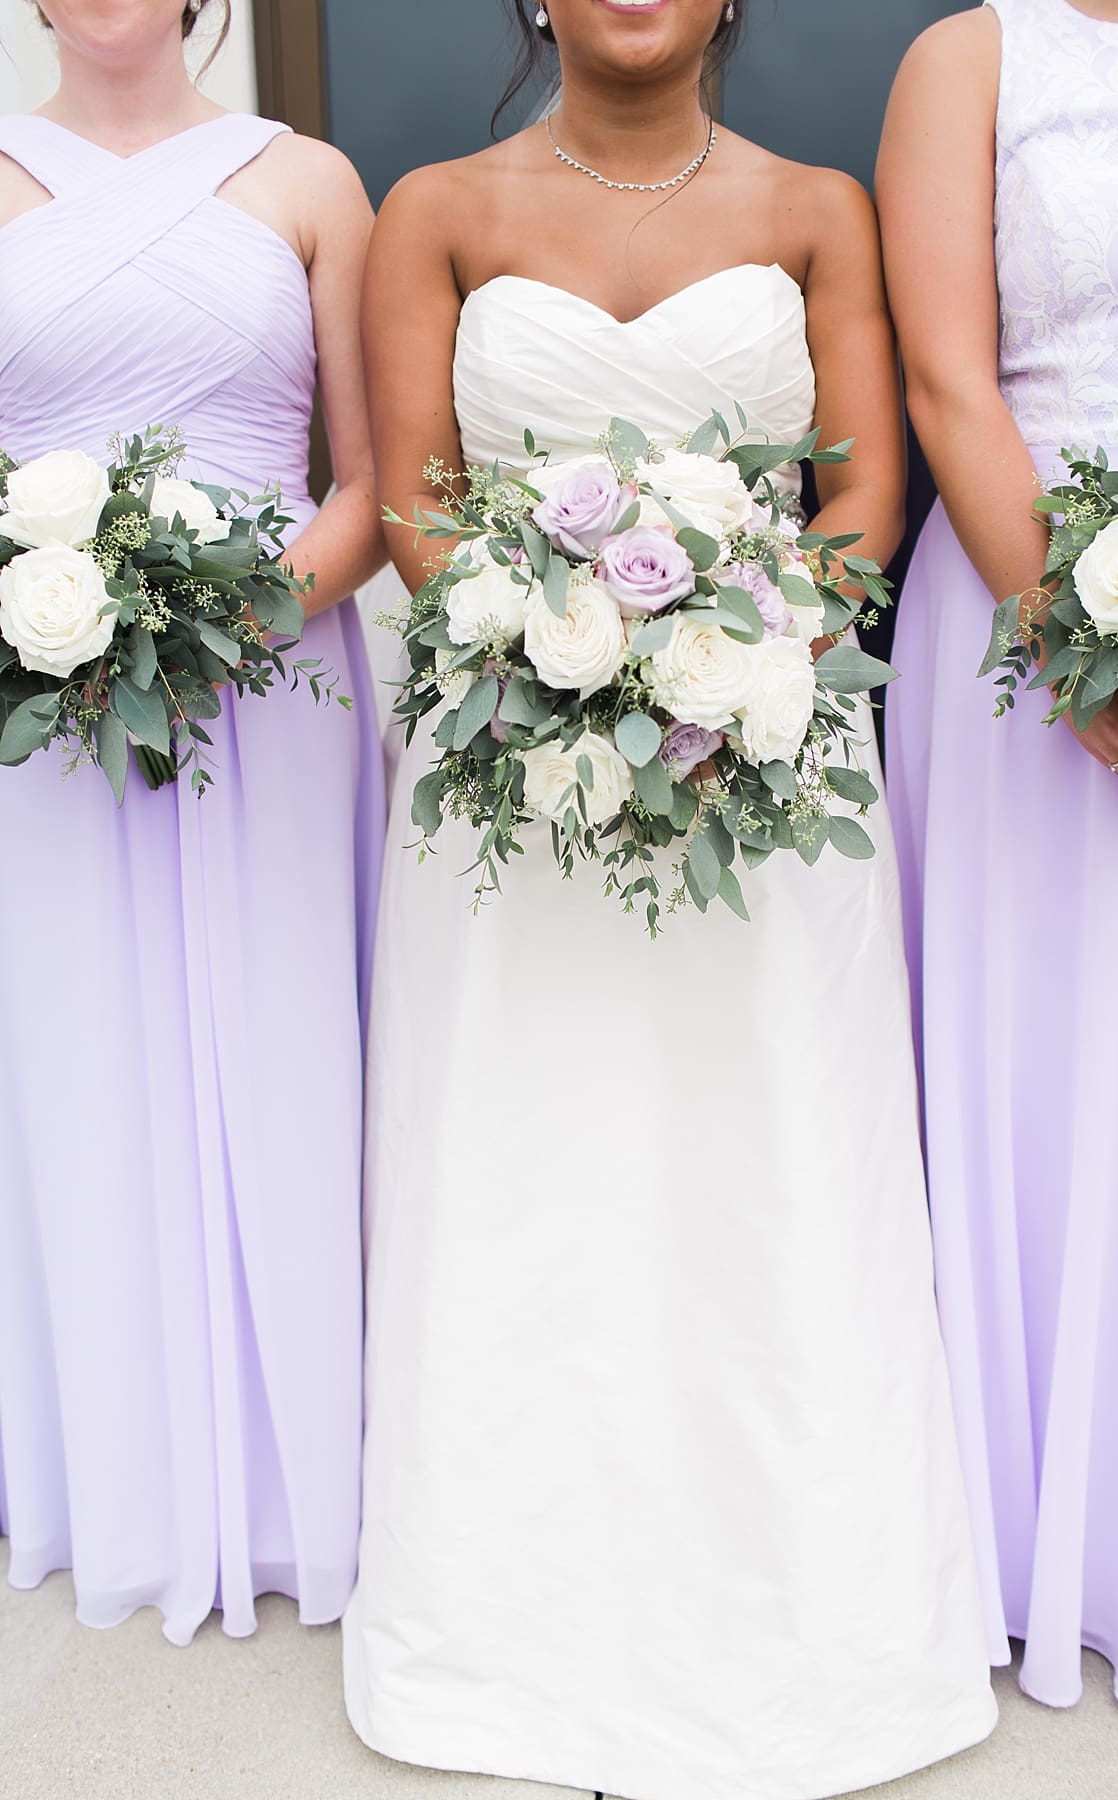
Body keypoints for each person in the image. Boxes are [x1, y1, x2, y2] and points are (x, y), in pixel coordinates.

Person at [342, 3, 996, 1795]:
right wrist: (554, 661)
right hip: (511, 758)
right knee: (527, 1148)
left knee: (768, 1137)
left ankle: (809, 1598)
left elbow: (861, 500)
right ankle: (511, 1611)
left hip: (769, 747)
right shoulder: (432, 210)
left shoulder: (817, 207)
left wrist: (725, 659)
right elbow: (416, 505)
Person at [0, 0, 386, 1646]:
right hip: (41, 693)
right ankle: (113, 1476)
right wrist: (61, 621)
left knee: (284, 1039)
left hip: (274, 681)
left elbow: (371, 482)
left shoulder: (309, 181)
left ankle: (308, 1480)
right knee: (77, 1047)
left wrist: (231, 619)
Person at [878, 0, 1118, 1744]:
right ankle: (1022, 1537)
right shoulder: (973, 55)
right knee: (1048, 1067)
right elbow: (948, 378)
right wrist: (1082, 652)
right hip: (1023, 616)